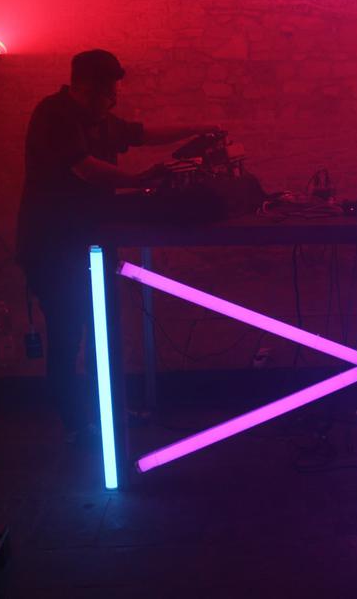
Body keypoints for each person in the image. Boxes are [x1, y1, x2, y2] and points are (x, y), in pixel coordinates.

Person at [16, 49, 217, 441]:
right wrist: (139, 180)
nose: (111, 101)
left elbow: (143, 134)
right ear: (82, 87)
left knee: (100, 331)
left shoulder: (99, 117)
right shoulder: (54, 115)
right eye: (105, 93)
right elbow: (85, 168)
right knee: (67, 336)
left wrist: (198, 129)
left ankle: (107, 412)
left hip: (88, 240)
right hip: (52, 246)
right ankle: (77, 425)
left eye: (112, 94)